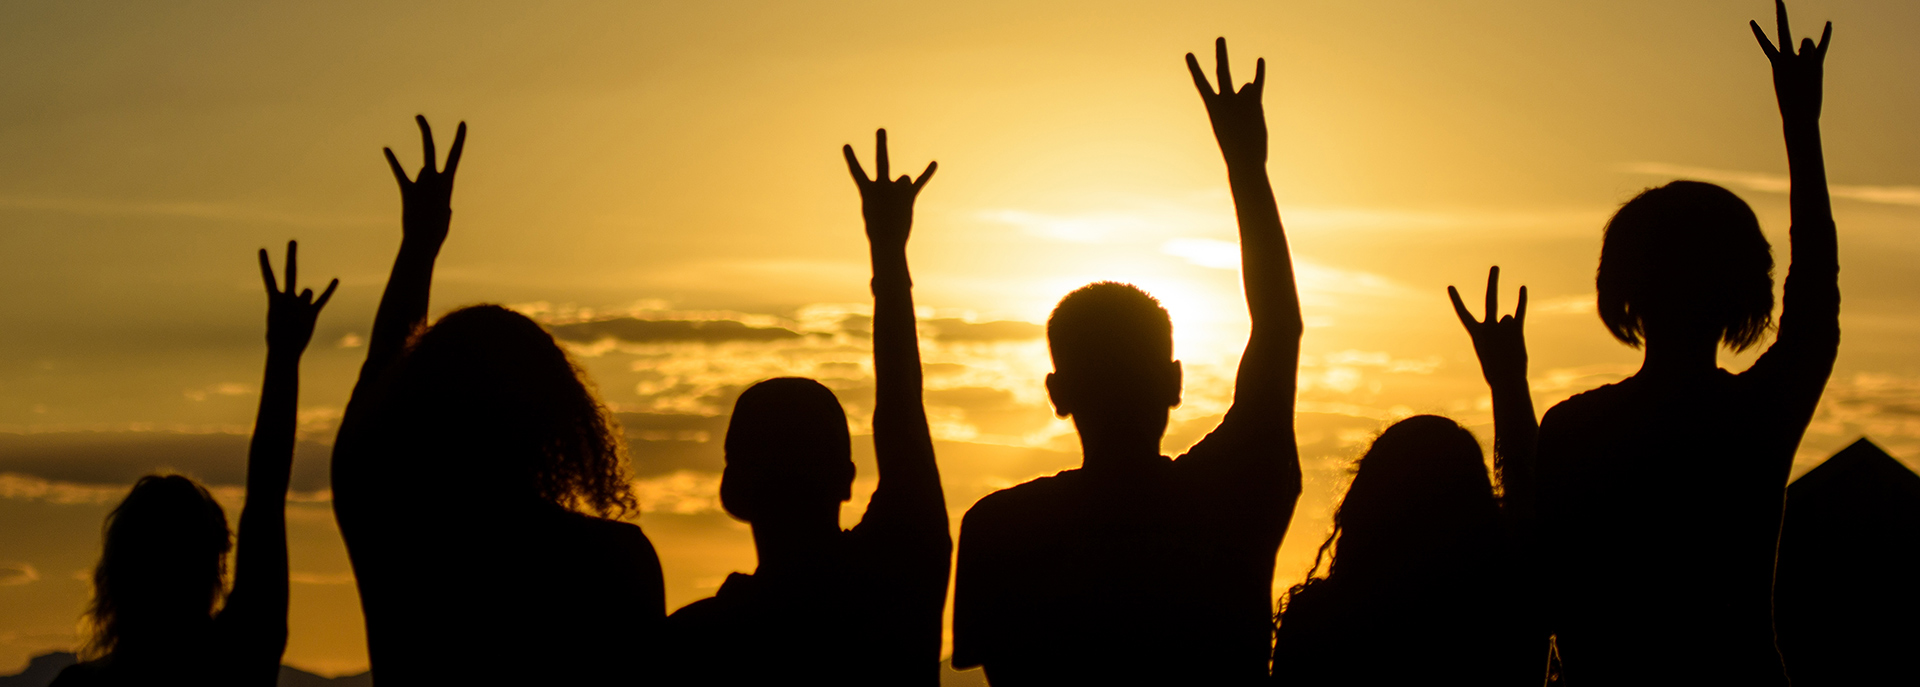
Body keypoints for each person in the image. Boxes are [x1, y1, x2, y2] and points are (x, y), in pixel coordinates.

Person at [951, 38, 1301, 686]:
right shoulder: (1232, 494)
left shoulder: (999, 530)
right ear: (1174, 381)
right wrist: (1246, 168)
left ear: (1056, 393)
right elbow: (1279, 330)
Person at [1534, 3, 1838, 683]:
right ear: (1743, 290)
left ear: (1623, 288)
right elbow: (1817, 300)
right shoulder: (1752, 419)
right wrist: (1801, 128)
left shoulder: (1573, 428)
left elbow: (1537, 591)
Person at [329, 117, 665, 685]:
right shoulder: (615, 561)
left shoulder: (400, 550)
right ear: (560, 419)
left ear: (417, 411)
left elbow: (378, 379)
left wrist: (419, 246)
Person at [663, 130, 950, 685]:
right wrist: (889, 255)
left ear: (731, 490)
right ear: (846, 478)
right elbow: (901, 412)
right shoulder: (900, 575)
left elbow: (900, 412)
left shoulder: (692, 644)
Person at [54, 244, 336, 686]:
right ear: (216, 563)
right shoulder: (238, 655)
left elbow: (265, 500)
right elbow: (265, 499)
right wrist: (283, 358)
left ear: (115, 569)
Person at [1270, 269, 1545, 685]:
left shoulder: (1321, 621)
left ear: (1365, 502)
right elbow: (1530, 497)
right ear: (1478, 504)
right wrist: (1508, 382)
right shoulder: (1507, 602)